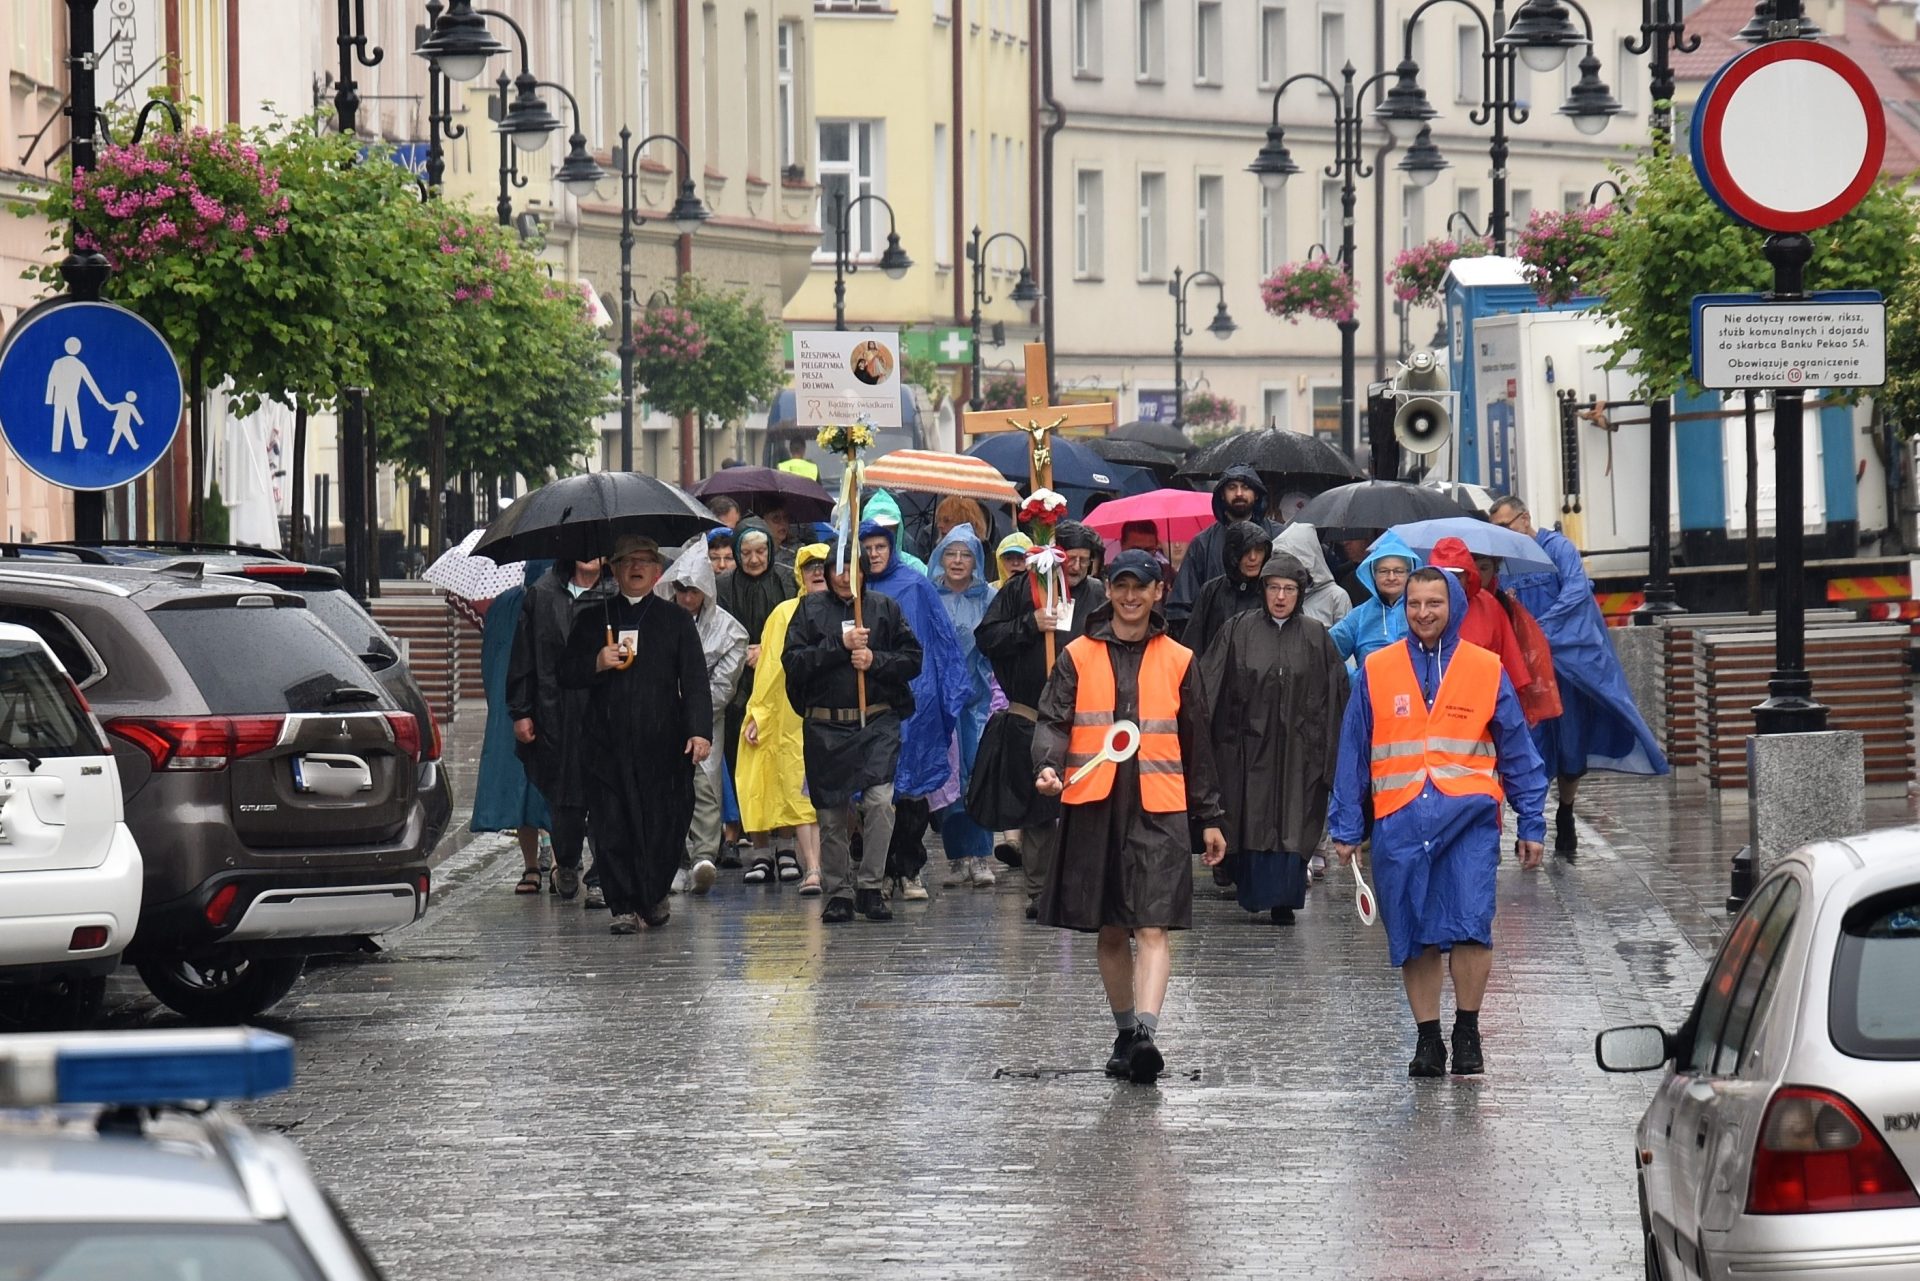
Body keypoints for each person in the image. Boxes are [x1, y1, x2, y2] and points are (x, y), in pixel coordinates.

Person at [1328, 567, 1547, 1077]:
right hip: (1400, 820)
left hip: (1468, 820)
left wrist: (1532, 822)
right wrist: (1346, 825)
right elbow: (1353, 750)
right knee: (1413, 932)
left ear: (1453, 606)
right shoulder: (1377, 669)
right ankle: (1428, 1038)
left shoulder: (1485, 668)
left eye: (1434, 603)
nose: (1423, 613)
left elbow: (1517, 748)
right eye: (1414, 604)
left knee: (1472, 924)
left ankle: (1467, 1030)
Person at [1032, 549, 1226, 1084]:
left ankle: (1145, 1033)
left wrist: (1210, 816)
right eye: (1121, 586)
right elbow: (1053, 720)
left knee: (1153, 923)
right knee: (1113, 929)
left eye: (1141, 586)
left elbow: (1198, 743)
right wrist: (1047, 765)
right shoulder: (1076, 654)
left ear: (1159, 592)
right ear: (1109, 589)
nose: (1131, 596)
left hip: (1159, 806)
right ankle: (1125, 1033)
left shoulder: (1180, 660)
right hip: (1095, 804)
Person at [1489, 497, 1669, 857]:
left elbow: (1576, 594)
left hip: (1568, 668)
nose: (1501, 534)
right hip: (1528, 672)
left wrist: (1540, 630)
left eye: (1504, 526)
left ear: (1525, 519)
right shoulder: (1502, 563)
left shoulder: (1558, 549)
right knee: (1530, 746)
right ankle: (1532, 824)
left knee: (1572, 748)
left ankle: (1566, 811)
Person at [561, 537, 713, 934]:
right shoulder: (592, 618)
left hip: (662, 743)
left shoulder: (675, 620)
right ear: (613, 569)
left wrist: (699, 731)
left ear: (657, 570)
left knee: (665, 823)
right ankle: (624, 905)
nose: (636, 567)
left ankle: (653, 894)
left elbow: (695, 680)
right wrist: (597, 661)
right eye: (627, 561)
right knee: (611, 825)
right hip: (606, 743)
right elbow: (566, 673)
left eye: (644, 560)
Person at [1199, 552, 1351, 925]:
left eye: (1289, 589)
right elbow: (1210, 684)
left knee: (1294, 820)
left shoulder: (1316, 636)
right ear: (1263, 590)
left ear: (1300, 593)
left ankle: (1286, 897)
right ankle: (1251, 891)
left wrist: (1329, 750)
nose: (1280, 597)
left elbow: (1336, 695)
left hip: (1300, 751)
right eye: (1273, 588)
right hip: (1247, 747)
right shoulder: (1238, 630)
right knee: (1249, 816)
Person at [783, 541, 925, 923]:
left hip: (876, 721)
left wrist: (875, 660)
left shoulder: (884, 608)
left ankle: (870, 885)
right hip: (826, 725)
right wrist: (838, 646)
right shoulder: (809, 610)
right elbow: (793, 663)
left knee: (879, 802)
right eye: (838, 568)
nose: (845, 576)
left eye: (853, 568)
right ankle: (838, 890)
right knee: (831, 815)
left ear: (864, 571)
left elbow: (913, 659)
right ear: (828, 572)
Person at [974, 520, 1108, 918]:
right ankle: (1040, 889)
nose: (1077, 567)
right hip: (1031, 713)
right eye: (1071, 559)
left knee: (1086, 806)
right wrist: (1029, 624)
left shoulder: (1099, 595)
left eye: (1085, 560)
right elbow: (987, 638)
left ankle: (1083, 885)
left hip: (1086, 716)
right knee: (1037, 808)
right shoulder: (1021, 589)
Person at [859, 516, 968, 900]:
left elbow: (940, 638)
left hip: (916, 698)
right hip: (872, 701)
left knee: (913, 788)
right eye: (867, 549)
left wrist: (946, 691)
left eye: (880, 547)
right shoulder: (854, 588)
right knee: (877, 789)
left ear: (893, 548)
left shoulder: (916, 585)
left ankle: (910, 867)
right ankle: (882, 869)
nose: (874, 554)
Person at [508, 556, 610, 902]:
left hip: (604, 711)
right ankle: (566, 860)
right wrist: (521, 710)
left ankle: (601, 878)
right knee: (565, 800)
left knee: (607, 799)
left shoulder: (615, 592)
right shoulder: (542, 594)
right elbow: (523, 655)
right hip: (555, 711)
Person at [737, 544, 831, 894]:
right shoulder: (783, 614)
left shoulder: (852, 608)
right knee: (800, 792)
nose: (817, 572)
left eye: (823, 565)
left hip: (842, 716)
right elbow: (769, 672)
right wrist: (757, 714)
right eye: (810, 566)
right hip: (795, 719)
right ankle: (814, 869)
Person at [658, 539, 748, 897]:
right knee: (664, 789)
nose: (685, 597)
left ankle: (703, 856)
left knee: (705, 786)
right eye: (680, 590)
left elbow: (724, 685)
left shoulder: (730, 631)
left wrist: (692, 710)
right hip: (661, 720)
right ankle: (673, 859)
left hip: (706, 719)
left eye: (693, 591)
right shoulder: (658, 621)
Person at [717, 517, 794, 877]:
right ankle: (754, 840)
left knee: (781, 762)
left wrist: (768, 649)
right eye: (746, 552)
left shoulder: (785, 581)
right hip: (738, 686)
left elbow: (797, 625)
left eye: (760, 551)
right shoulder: (724, 586)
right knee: (746, 766)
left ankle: (786, 843)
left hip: (778, 683)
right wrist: (742, 650)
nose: (753, 559)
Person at [473, 561, 555, 896]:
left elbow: (489, 661)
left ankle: (534, 865)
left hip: (512, 706)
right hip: (534, 704)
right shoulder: (553, 598)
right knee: (548, 786)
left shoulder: (503, 604)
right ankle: (556, 863)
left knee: (525, 786)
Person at [931, 526, 1001, 889]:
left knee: (978, 775)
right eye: (951, 553)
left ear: (976, 561)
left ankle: (981, 854)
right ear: (940, 557)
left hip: (978, 700)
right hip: (941, 703)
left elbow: (996, 643)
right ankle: (957, 855)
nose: (958, 561)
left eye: (966, 555)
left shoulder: (988, 597)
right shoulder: (929, 595)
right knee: (948, 779)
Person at [1167, 465, 1282, 635]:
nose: (1239, 493)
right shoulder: (1203, 543)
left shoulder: (1279, 536)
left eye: (1246, 487)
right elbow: (1183, 606)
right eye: (1232, 487)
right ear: (1222, 494)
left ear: (1257, 493)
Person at [1425, 537, 1531, 699]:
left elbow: (1511, 665)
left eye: (1456, 576)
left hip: (1483, 697)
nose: (1449, 581)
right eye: (1443, 575)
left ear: (1468, 576)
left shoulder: (1489, 605)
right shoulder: (1418, 603)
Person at [1181, 520, 1271, 657]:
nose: (1253, 557)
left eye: (1259, 550)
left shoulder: (1272, 591)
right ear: (1233, 554)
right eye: (1246, 550)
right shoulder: (1212, 590)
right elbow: (1193, 641)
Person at [1329, 532, 1421, 664]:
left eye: (1398, 571)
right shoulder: (1360, 616)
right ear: (1373, 574)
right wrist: (1355, 675)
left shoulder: (1422, 610)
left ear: (1410, 573)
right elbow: (1326, 653)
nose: (1391, 577)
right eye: (1383, 571)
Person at [1271, 521, 1354, 629]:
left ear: (1308, 559)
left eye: (1293, 560)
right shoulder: (1276, 594)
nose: (1289, 566)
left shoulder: (1336, 597)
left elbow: (1345, 636)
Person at [861, 489, 929, 576]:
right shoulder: (854, 569)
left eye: (889, 529)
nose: (884, 534)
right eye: (877, 528)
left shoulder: (915, 568)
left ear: (898, 529)